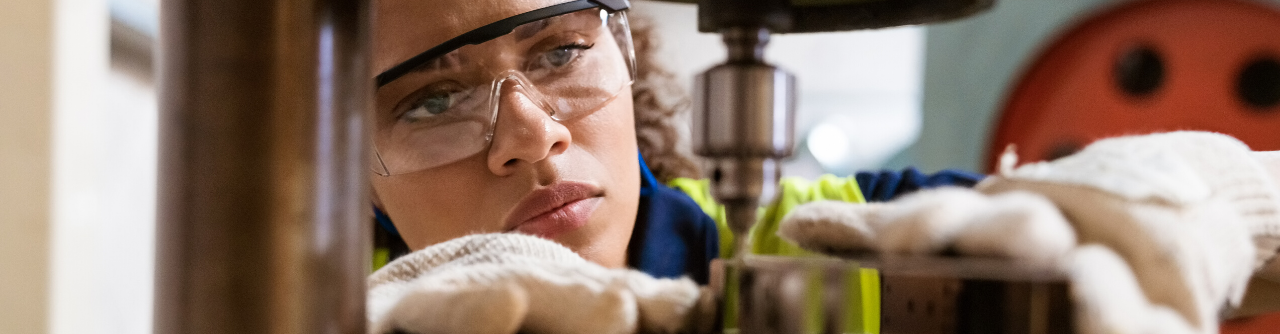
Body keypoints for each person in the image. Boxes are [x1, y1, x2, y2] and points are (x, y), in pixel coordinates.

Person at [364, 0, 1280, 333]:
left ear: (623, 50)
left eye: (560, 51)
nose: (529, 135)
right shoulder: (291, 304)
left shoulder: (836, 240)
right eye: (430, 101)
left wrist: (1185, 205)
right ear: (336, 162)